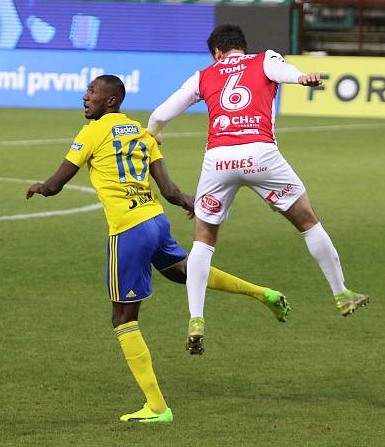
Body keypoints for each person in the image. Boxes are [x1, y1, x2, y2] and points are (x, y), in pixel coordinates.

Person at [26, 74, 290, 423]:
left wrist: (41, 187)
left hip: (129, 230)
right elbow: (170, 191)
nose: (85, 96)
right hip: (155, 220)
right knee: (184, 273)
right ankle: (263, 293)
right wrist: (192, 203)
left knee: (123, 318)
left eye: (92, 91)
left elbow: (58, 183)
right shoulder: (140, 133)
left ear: (111, 100)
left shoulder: (91, 132)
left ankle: (156, 407)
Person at [147, 24, 370, 355]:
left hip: (218, 160)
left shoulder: (204, 74)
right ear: (242, 46)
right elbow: (285, 72)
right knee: (308, 221)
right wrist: (302, 78)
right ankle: (341, 294)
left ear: (217, 52)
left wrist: (154, 133)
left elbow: (161, 113)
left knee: (203, 242)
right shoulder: (263, 59)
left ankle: (196, 319)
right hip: (261, 154)